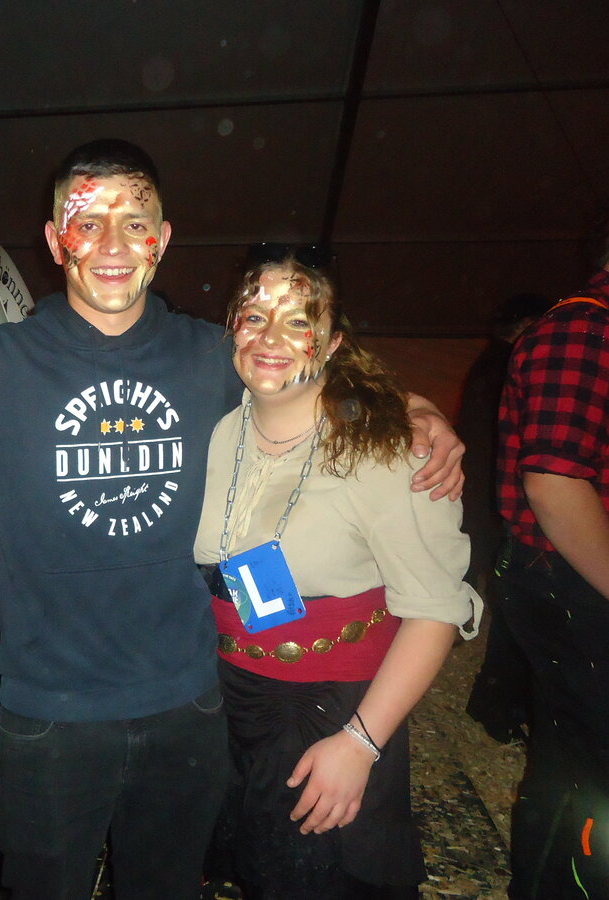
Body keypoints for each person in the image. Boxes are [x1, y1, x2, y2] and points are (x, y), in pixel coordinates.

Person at [0, 140, 465, 899]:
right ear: (54, 241)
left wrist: (414, 410)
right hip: (47, 716)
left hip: (189, 706)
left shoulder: (214, 356)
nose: (112, 245)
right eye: (88, 224)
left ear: (163, 239)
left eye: (134, 223)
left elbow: (308, 370)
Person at [194, 258, 480, 898]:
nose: (270, 337)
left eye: (299, 322)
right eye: (254, 316)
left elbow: (435, 610)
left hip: (330, 710)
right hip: (226, 699)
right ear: (232, 328)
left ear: (332, 343)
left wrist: (360, 743)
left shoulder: (387, 451)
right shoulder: (214, 425)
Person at [497, 189, 609, 899]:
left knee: (576, 761)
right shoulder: (588, 330)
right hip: (576, 583)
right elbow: (554, 482)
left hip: (584, 577)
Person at [459, 293, 549, 745]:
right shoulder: (506, 365)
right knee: (506, 593)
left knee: (492, 582)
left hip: (489, 496)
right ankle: (495, 698)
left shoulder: (498, 362)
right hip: (496, 499)